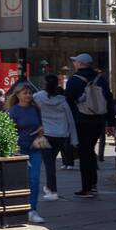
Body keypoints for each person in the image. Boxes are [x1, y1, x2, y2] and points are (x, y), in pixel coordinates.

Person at [64, 53, 113, 198]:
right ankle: (93, 184)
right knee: (90, 149)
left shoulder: (73, 80)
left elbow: (68, 102)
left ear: (80, 64)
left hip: (81, 120)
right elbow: (109, 100)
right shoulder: (101, 79)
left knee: (84, 152)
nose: (74, 64)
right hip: (98, 120)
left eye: (75, 62)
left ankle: (87, 187)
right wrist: (110, 122)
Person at [6, 81, 47, 224]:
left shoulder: (35, 109)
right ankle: (18, 208)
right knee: (19, 180)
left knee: (34, 179)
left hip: (34, 148)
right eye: (25, 93)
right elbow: (9, 131)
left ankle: (32, 210)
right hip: (19, 149)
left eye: (30, 93)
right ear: (17, 95)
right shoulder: (13, 111)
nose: (28, 95)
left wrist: (41, 130)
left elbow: (40, 124)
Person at [35, 74, 77, 202]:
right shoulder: (62, 100)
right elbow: (70, 119)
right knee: (50, 161)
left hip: (44, 134)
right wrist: (74, 138)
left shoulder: (37, 97)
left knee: (48, 162)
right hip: (60, 135)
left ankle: (52, 189)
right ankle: (49, 186)